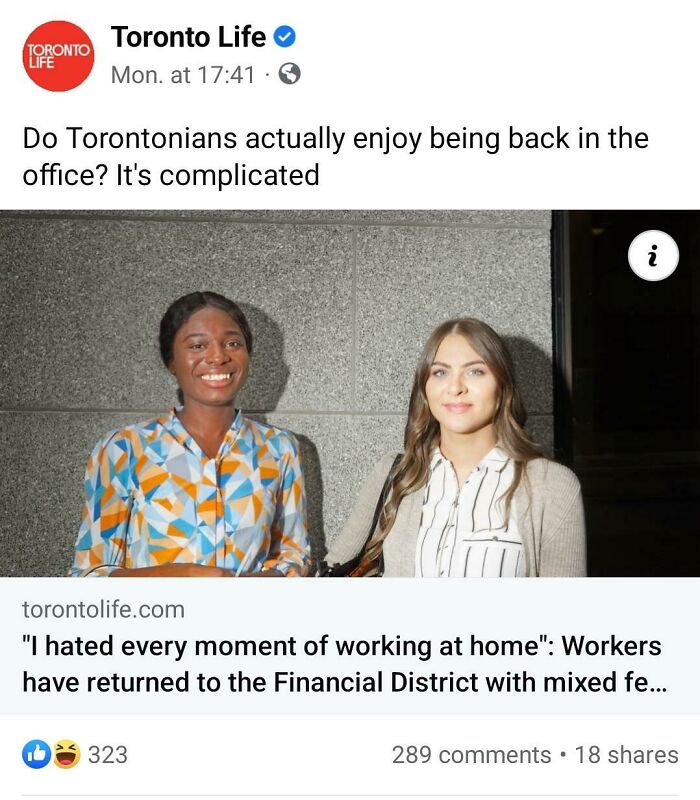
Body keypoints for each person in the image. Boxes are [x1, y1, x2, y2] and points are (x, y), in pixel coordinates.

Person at [71, 291, 309, 577]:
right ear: (171, 361)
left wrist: (247, 588)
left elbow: (295, 558)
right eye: (197, 345)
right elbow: (89, 575)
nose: (218, 356)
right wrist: (180, 576)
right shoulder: (125, 449)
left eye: (232, 343)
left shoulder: (279, 448)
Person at [325, 319, 586, 577]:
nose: (455, 387)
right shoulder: (394, 474)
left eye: (475, 371)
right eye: (440, 372)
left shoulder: (552, 485)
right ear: (425, 389)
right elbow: (332, 570)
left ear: (502, 386)